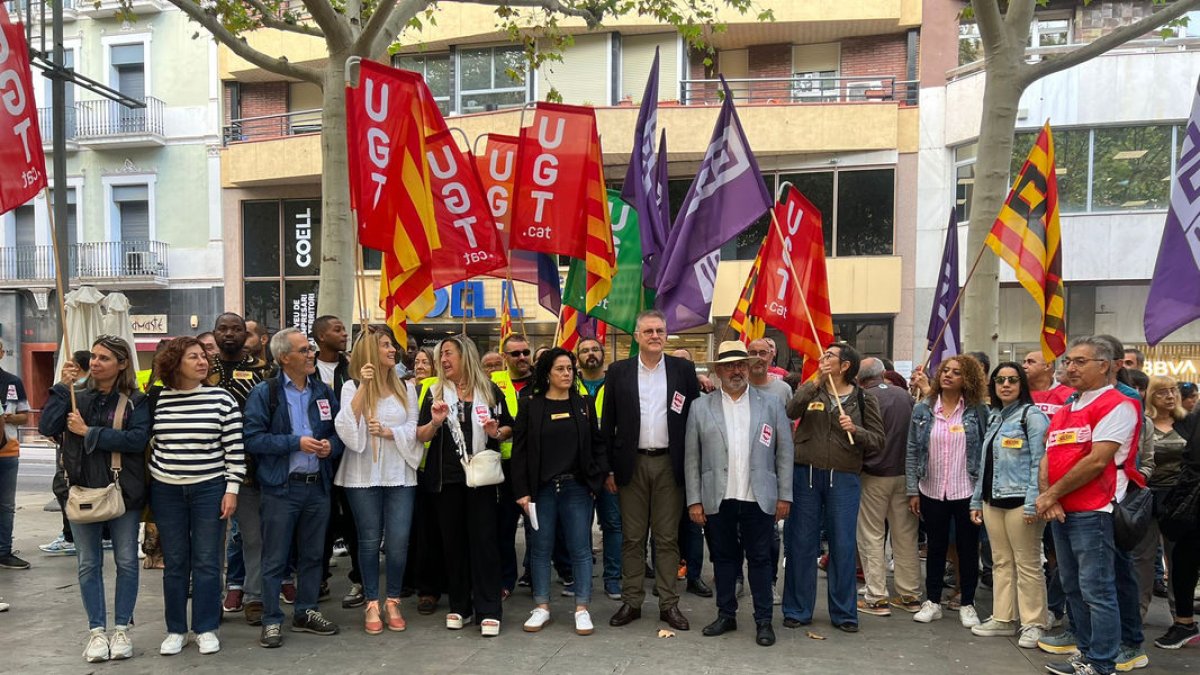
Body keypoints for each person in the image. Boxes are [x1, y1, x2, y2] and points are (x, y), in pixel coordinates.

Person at [39, 336, 150, 662]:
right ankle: (97, 632)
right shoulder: (73, 394)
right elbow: (47, 425)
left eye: (104, 358)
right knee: (88, 564)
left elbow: (137, 439)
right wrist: (62, 387)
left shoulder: (135, 401)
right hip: (81, 490)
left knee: (127, 562)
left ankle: (121, 629)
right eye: (95, 357)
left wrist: (90, 433)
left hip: (122, 492)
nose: (96, 363)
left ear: (122, 364)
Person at [1036, 336, 1141, 675]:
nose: (1071, 367)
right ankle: (1085, 652)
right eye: (1069, 361)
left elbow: (1097, 461)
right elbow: (1047, 455)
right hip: (1062, 510)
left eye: (1080, 361)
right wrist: (1048, 496)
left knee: (1097, 589)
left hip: (1094, 510)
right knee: (1072, 587)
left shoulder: (1117, 404)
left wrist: (1051, 495)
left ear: (1106, 365)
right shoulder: (1068, 406)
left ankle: (1102, 662)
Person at [685, 341, 792, 647]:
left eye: (741, 365)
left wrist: (785, 495)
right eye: (729, 365)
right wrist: (694, 500)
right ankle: (726, 614)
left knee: (760, 559)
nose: (737, 370)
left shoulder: (769, 404)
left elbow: (784, 452)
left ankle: (763, 621)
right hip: (718, 497)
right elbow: (691, 458)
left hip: (758, 497)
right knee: (723, 559)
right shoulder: (700, 407)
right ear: (718, 371)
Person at [244, 327, 344, 648]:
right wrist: (295, 442)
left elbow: (340, 432)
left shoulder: (323, 391)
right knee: (275, 558)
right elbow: (253, 439)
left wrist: (331, 445)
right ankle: (272, 619)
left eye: (310, 348)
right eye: (303, 350)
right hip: (281, 488)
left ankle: (305, 611)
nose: (311, 353)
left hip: (318, 487)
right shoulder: (266, 392)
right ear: (284, 357)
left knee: (314, 555)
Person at [147, 336, 245, 656]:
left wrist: (231, 490)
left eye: (203, 356)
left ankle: (206, 628)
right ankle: (176, 629)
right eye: (193, 357)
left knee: (206, 562)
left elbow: (235, 450)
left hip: (210, 489)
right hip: (166, 490)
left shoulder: (221, 399)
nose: (202, 361)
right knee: (175, 562)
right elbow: (146, 445)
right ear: (175, 363)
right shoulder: (155, 400)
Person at [604, 309, 700, 632]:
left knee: (667, 538)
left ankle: (668, 604)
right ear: (637, 336)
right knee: (631, 538)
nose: (655, 336)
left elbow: (695, 417)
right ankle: (631, 601)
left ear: (667, 335)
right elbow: (608, 425)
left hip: (669, 464)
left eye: (660, 330)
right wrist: (608, 470)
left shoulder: (683, 370)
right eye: (648, 331)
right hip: (631, 464)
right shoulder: (618, 371)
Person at [783, 342, 884, 633]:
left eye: (830, 356)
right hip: (806, 475)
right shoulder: (812, 388)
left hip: (844, 477)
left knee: (842, 544)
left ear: (845, 366)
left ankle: (844, 613)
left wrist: (856, 430)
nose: (823, 359)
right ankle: (798, 609)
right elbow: (791, 410)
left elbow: (878, 440)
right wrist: (815, 380)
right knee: (802, 543)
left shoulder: (863, 399)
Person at [416, 335, 513, 637]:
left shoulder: (489, 389)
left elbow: (510, 427)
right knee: (453, 544)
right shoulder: (433, 391)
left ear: (465, 356)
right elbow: (420, 436)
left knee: (484, 542)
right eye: (440, 354)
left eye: (448, 353)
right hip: (447, 480)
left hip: (481, 479)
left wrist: (497, 432)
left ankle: (488, 609)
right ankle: (459, 605)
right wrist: (434, 422)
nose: (443, 360)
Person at [512, 347, 609, 636]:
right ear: (548, 373)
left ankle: (582, 608)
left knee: (580, 549)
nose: (567, 374)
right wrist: (522, 491)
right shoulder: (531, 405)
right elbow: (520, 451)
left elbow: (597, 444)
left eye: (570, 368)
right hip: (541, 490)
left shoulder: (584, 404)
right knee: (540, 549)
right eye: (560, 369)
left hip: (576, 489)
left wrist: (595, 482)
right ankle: (541, 606)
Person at [334, 326, 422, 635]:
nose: (393, 350)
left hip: (399, 473)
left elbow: (414, 428)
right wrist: (364, 387)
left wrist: (389, 432)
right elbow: (345, 428)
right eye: (386, 345)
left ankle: (393, 599)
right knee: (368, 541)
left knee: (398, 542)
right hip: (363, 474)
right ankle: (372, 600)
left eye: (392, 345)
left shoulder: (405, 387)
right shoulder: (351, 386)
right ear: (371, 352)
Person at [968, 362, 1050, 648]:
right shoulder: (994, 418)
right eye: (1000, 380)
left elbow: (1041, 463)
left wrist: (1032, 504)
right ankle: (1003, 618)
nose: (1005, 385)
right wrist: (977, 500)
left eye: (1012, 380)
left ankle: (1033, 623)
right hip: (993, 501)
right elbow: (984, 464)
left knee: (1027, 564)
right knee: (1001, 562)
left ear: (1022, 384)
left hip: (1021, 502)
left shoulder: (1033, 416)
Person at [905, 354, 989, 628]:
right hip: (931, 488)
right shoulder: (923, 408)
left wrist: (982, 493)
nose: (948, 375)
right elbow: (913, 450)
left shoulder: (977, 410)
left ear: (969, 379)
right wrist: (912, 489)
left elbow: (987, 453)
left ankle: (967, 603)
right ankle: (932, 602)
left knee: (967, 548)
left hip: (966, 489)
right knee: (935, 546)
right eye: (946, 371)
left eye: (956, 372)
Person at [210, 313, 274, 625]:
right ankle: (211, 601)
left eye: (237, 329)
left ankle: (254, 596)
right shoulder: (200, 367)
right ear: (214, 333)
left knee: (253, 537)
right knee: (210, 541)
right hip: (205, 467)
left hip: (249, 469)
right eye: (224, 328)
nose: (231, 334)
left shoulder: (263, 370)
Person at [854, 357, 920, 617]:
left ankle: (877, 596)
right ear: (883, 373)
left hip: (873, 474)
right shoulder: (905, 396)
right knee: (905, 537)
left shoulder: (863, 398)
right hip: (904, 474)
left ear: (860, 377)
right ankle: (909, 594)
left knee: (871, 535)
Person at [311, 315, 363, 610]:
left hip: (351, 454)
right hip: (319, 457)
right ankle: (318, 577)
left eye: (345, 329)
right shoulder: (309, 368)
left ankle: (359, 578)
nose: (344, 334)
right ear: (320, 336)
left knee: (354, 520)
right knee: (322, 521)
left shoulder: (353, 369)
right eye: (338, 329)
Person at [576, 337, 620, 600]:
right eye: (584, 350)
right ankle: (579, 579)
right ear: (577, 356)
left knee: (613, 524)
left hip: (609, 469)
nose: (590, 354)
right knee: (578, 526)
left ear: (603, 354)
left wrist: (612, 469)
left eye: (595, 349)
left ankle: (613, 579)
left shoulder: (616, 383)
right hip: (578, 469)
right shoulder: (569, 383)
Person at [1153, 404, 1200, 650]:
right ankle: (1184, 622)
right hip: (1191, 500)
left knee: (1184, 559)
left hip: (1190, 498)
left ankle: (1184, 623)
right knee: (1183, 558)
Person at [1142, 377, 1187, 628]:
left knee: (1178, 558)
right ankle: (1136, 614)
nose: (1170, 396)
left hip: (1181, 497)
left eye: (1173, 391)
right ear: (1151, 397)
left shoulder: (1187, 422)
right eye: (1162, 392)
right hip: (1148, 494)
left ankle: (1181, 616)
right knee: (1143, 558)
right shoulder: (1144, 423)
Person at [0, 338, 31, 571]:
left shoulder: (13, 382)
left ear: (2, 352)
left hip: (7, 451)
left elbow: (25, 416)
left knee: (6, 505)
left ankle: (4, 551)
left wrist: (7, 418)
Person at [1023, 351, 1073, 418]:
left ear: (1047, 366)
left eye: (1031, 362)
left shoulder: (1070, 395)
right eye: (1024, 362)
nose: (1024, 366)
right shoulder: (1017, 393)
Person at [747, 339, 792, 407]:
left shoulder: (784, 390)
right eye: (753, 353)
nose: (758, 357)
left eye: (763, 353)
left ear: (770, 356)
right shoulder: (737, 388)